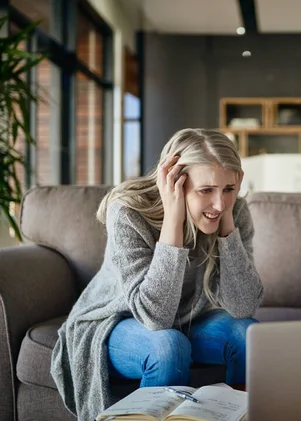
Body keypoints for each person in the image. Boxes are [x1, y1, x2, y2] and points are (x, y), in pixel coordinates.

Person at [51, 129, 264, 421]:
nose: (219, 203)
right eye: (206, 190)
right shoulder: (128, 211)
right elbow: (155, 318)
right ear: (175, 182)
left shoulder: (231, 208)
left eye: (228, 188)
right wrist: (174, 219)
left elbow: (243, 306)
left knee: (248, 335)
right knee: (168, 346)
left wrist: (226, 219)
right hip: (119, 321)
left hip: (189, 318)